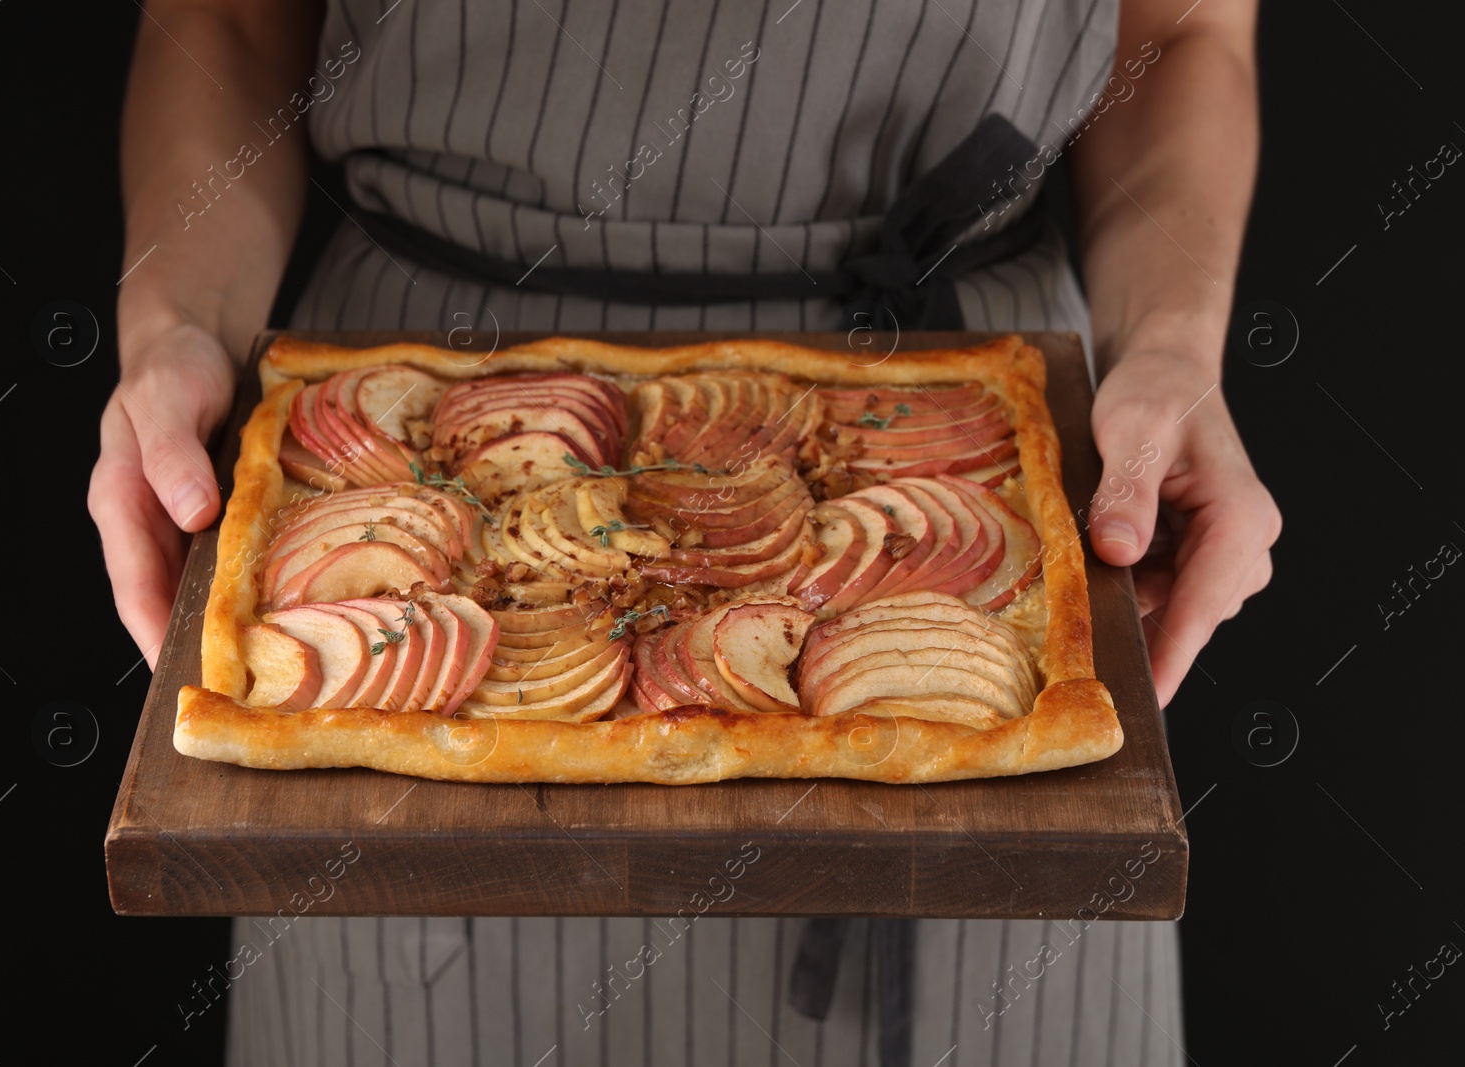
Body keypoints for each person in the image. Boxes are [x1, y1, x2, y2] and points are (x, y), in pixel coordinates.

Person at [90, 1, 1280, 1063]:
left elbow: (1178, 36)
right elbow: (232, 29)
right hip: (426, 400)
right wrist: (176, 323)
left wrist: (1170, 344)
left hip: (951, 407)